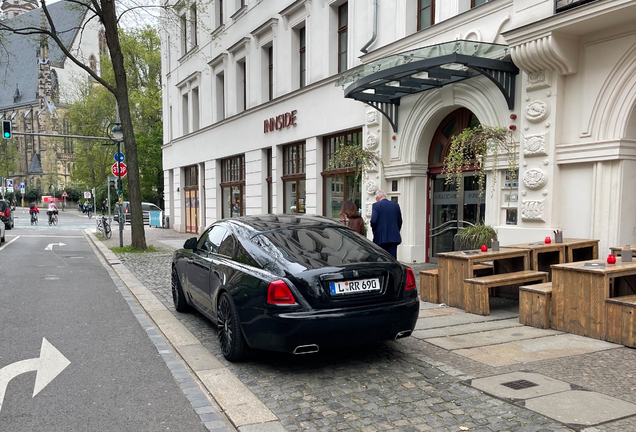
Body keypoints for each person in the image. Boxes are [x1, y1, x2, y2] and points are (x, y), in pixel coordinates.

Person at [370, 190, 402, 259]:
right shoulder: (395, 205)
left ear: (377, 197)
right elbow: (399, 221)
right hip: (394, 237)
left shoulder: (376, 205)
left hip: (380, 238)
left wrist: (375, 232)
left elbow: (373, 221)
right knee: (392, 259)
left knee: (382, 259)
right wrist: (396, 231)